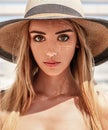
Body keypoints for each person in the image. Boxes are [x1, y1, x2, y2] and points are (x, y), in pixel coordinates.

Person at [0, 0, 108, 130]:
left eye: (63, 37)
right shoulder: (3, 107)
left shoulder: (100, 108)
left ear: (78, 41)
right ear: (28, 43)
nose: (51, 52)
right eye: (39, 38)